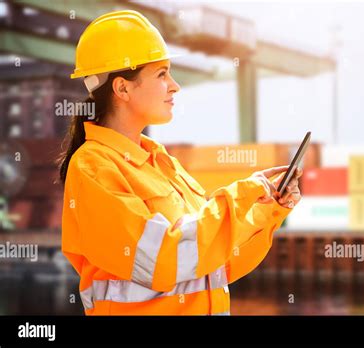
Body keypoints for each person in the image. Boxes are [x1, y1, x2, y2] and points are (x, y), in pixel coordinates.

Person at [58, 10, 302, 315]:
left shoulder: (162, 164)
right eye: (161, 74)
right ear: (122, 88)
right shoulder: (93, 168)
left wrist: (268, 209)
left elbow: (216, 261)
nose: (174, 86)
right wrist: (245, 193)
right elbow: (165, 260)